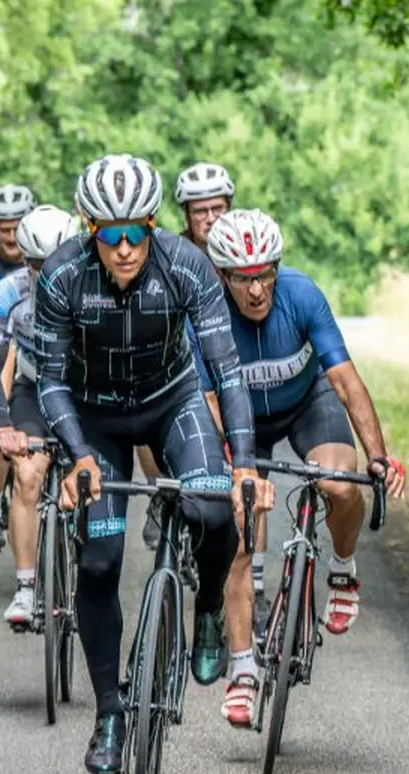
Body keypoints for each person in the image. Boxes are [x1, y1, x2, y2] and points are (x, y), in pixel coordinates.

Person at [35, 154, 274, 774]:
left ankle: (210, 612)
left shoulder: (187, 266)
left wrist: (244, 463)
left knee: (216, 510)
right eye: (109, 235)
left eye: (135, 232)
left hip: (173, 402)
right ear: (90, 231)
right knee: (100, 559)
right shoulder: (61, 277)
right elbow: (52, 382)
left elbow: (226, 368)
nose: (123, 248)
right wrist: (78, 456)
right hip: (96, 419)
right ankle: (110, 713)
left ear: (153, 225)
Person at [205, 208, 406, 728]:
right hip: (240, 417)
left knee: (340, 485)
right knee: (241, 536)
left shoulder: (301, 294)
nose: (256, 290)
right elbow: (207, 400)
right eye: (243, 279)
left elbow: (345, 381)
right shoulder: (206, 310)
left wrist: (379, 455)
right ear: (223, 275)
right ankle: (244, 671)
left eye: (265, 273)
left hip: (305, 404)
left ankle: (341, 569)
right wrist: (238, 469)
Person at [0, 205, 80, 626]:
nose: (49, 273)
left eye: (59, 263)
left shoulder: (96, 288)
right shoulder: (8, 291)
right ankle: (25, 586)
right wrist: (3, 428)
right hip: (34, 390)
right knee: (27, 474)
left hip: (83, 393)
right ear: (25, 260)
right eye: (38, 265)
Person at [140, 161, 239, 551]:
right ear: (186, 215)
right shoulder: (169, 254)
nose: (211, 219)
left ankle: (253, 581)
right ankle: (161, 494)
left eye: (218, 209)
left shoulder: (242, 249)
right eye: (200, 211)